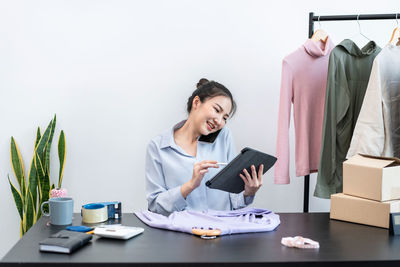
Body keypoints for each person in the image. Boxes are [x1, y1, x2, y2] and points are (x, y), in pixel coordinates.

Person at [145, 78, 264, 216]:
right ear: (196, 102)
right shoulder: (158, 147)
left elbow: (233, 202)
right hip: (182, 232)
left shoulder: (223, 136)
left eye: (225, 118)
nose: (219, 121)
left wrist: (248, 192)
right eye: (217, 110)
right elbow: (155, 206)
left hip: (221, 230)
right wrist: (190, 185)